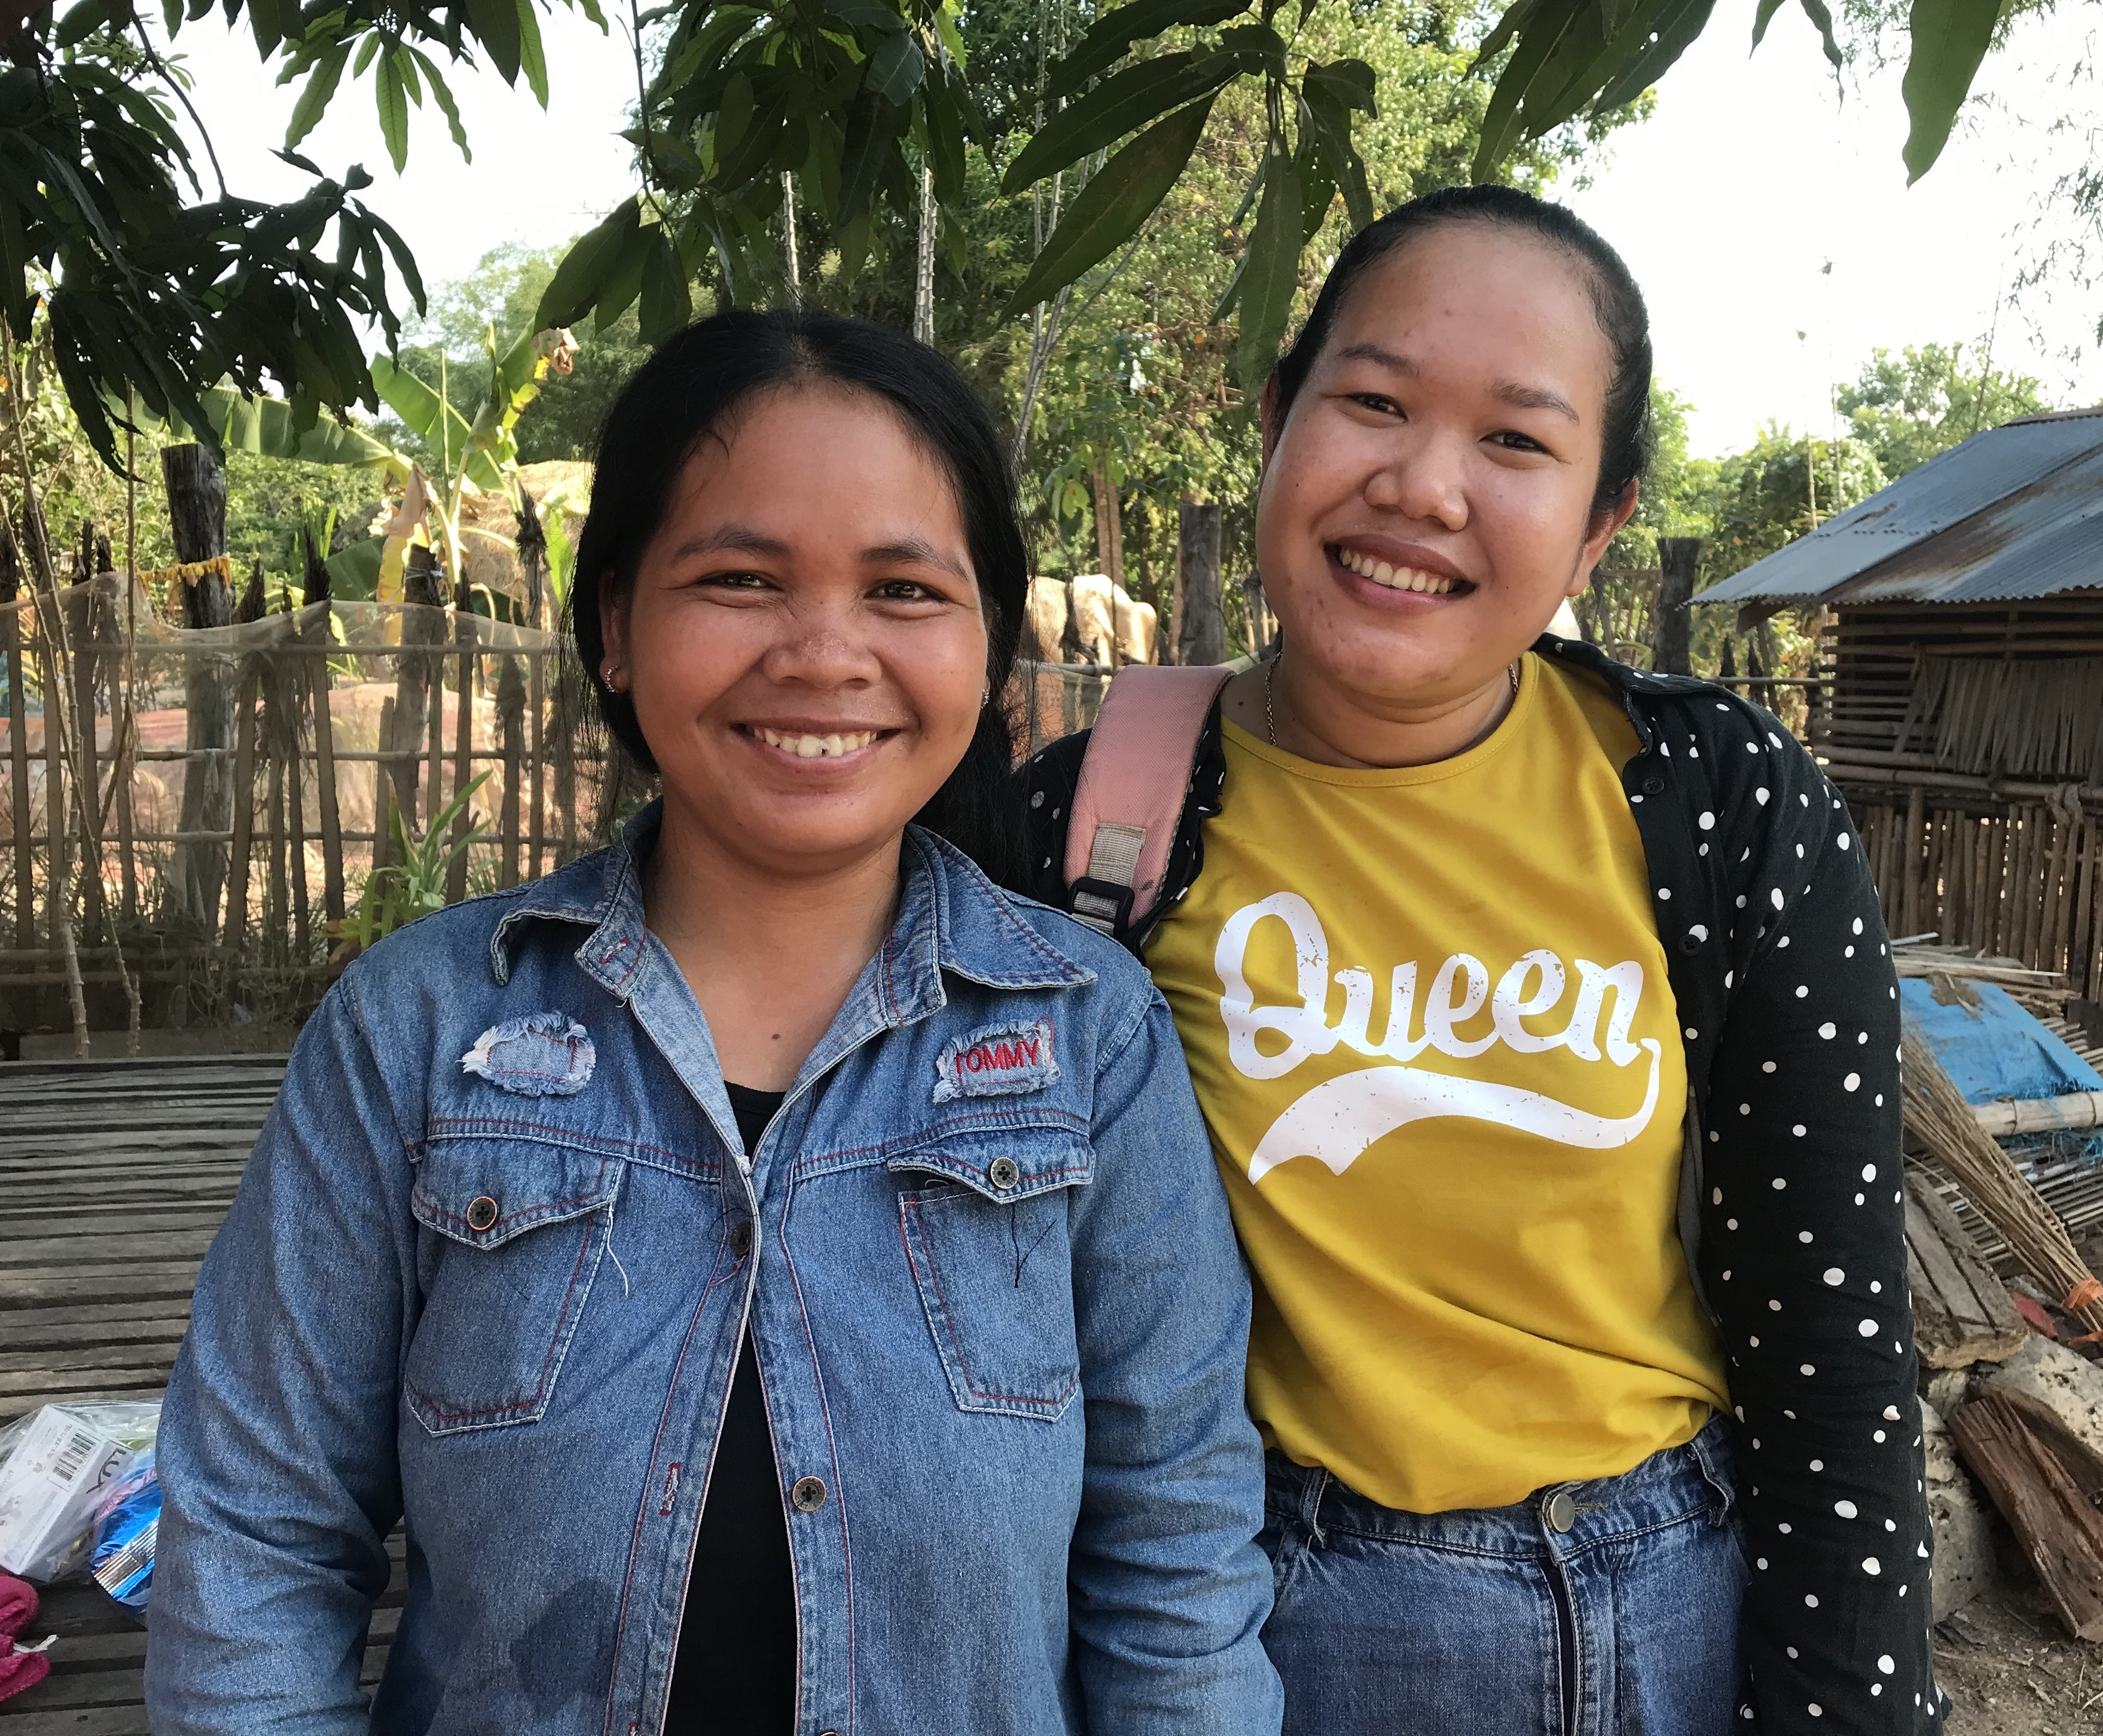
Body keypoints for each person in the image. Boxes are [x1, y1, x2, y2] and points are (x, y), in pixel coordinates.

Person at [147, 310, 1283, 1736]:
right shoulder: (420, 1028)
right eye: (741, 579)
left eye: (904, 590)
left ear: (987, 640)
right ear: (615, 626)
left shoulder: (1087, 1036)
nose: (824, 653)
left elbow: (1176, 1552)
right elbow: (256, 1537)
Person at [1022, 187, 1940, 1735]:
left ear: (1601, 522)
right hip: (1277, 1626)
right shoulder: (1088, 824)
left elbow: (1833, 1346)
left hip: (1681, 1608)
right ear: (1276, 419)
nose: (1423, 486)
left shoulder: (1715, 802)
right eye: (1374, 403)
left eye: (1516, 440)